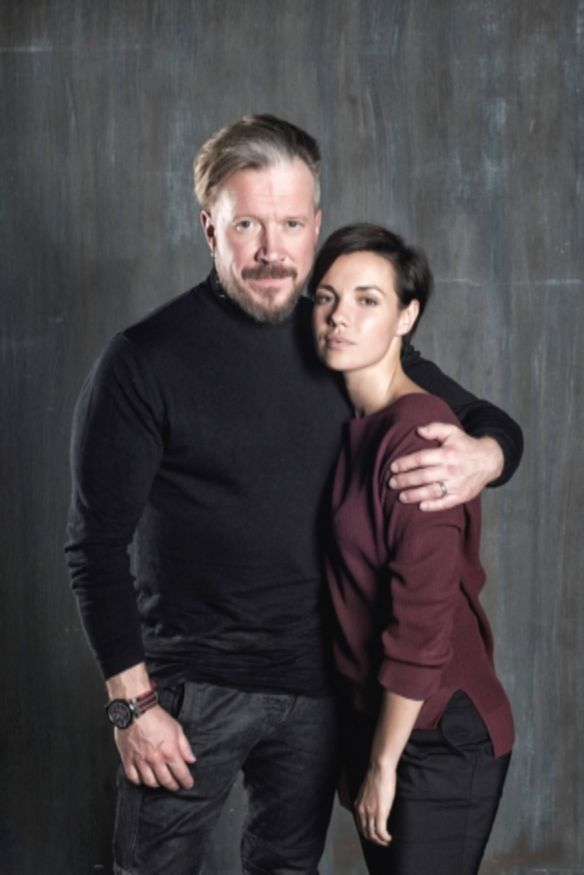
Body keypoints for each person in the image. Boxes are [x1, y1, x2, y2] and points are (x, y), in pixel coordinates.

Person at [65, 115, 522, 875]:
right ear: (209, 227)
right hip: (189, 693)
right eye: (247, 224)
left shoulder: (341, 333)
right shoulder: (145, 360)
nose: (272, 250)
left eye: (290, 224)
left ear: (316, 225)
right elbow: (94, 546)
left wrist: (486, 455)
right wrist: (132, 706)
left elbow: (485, 419)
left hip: (321, 693)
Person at [310, 223, 514, 875]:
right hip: (391, 723)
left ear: (407, 316)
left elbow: (422, 623)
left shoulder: (419, 437)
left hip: (439, 731)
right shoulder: (362, 425)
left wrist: (382, 762)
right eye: (326, 297)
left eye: (367, 299)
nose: (340, 316)